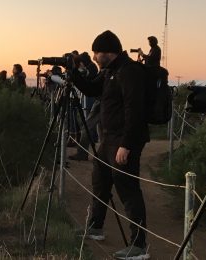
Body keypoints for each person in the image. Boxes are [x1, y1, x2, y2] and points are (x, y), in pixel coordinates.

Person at [72, 30, 150, 259]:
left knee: (128, 189)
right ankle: (96, 227)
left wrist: (126, 144)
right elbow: (90, 89)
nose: (94, 57)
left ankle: (139, 245)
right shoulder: (110, 72)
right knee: (100, 181)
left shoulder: (129, 72)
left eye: (96, 53)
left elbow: (134, 110)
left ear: (107, 52)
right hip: (108, 137)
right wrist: (73, 72)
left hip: (124, 139)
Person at [69, 51, 100, 159]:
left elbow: (89, 82)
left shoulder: (92, 68)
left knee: (87, 126)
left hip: (93, 100)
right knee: (90, 127)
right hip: (96, 100)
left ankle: (82, 153)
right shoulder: (94, 67)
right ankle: (84, 153)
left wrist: (80, 71)